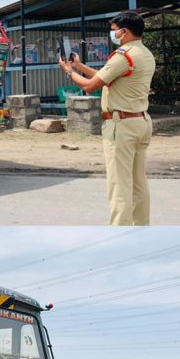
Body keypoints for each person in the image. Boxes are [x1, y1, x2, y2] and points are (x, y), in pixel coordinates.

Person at [59, 11, 156, 226]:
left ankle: (119, 235)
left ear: (125, 31)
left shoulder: (124, 55)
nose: (113, 34)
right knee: (139, 183)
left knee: (119, 186)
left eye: (114, 31)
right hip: (140, 122)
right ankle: (141, 228)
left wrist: (68, 71)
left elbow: (90, 86)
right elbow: (107, 76)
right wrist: (79, 66)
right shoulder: (144, 53)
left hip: (122, 126)